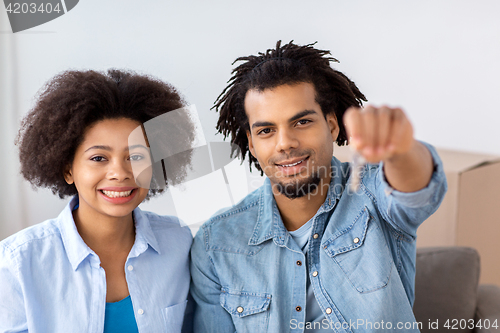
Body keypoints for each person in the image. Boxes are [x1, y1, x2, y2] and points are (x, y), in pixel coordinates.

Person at [190, 41, 447, 332]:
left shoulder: (373, 194)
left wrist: (400, 147)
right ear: (251, 143)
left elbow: (417, 189)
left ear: (332, 125)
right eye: (266, 130)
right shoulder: (216, 244)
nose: (285, 142)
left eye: (301, 122)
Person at [0, 69, 194, 333]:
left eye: (136, 157)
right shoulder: (17, 263)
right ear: (67, 168)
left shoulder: (179, 243)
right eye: (99, 158)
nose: (120, 173)